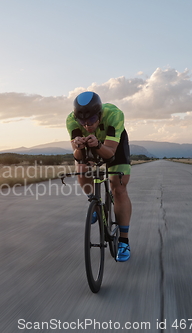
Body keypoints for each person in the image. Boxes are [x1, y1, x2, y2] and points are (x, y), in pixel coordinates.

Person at [66, 91, 132, 262]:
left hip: (113, 147)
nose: (87, 125)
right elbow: (78, 157)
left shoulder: (114, 115)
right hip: (90, 145)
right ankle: (93, 202)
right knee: (81, 168)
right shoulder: (71, 120)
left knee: (119, 189)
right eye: (82, 122)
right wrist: (79, 148)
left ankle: (124, 241)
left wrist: (98, 144)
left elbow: (109, 154)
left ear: (100, 114)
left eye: (92, 120)